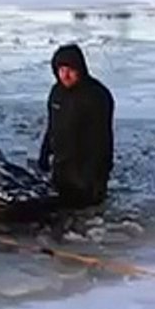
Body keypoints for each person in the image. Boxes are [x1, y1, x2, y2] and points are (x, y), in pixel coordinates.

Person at [37, 43, 114, 208]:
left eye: (70, 70)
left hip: (87, 171)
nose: (65, 75)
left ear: (80, 69)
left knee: (85, 216)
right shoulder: (56, 93)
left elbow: (102, 141)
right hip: (62, 167)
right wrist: (44, 154)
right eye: (61, 70)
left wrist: (95, 177)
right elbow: (52, 126)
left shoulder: (96, 96)